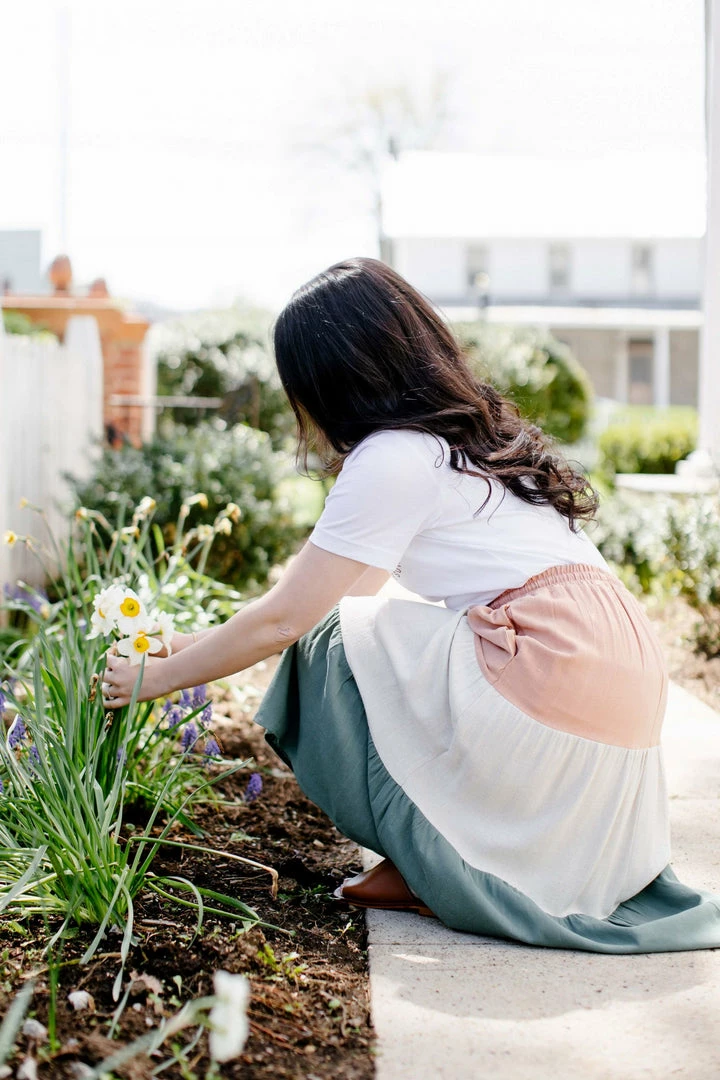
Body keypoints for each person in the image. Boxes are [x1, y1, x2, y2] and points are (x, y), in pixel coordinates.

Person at [103, 256, 720, 953]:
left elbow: (291, 621)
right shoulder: (474, 441)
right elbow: (329, 602)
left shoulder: (393, 454)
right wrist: (177, 641)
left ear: (328, 383)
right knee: (353, 635)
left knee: (331, 645)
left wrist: (153, 681)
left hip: (555, 662)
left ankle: (434, 858)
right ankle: (434, 854)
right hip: (612, 676)